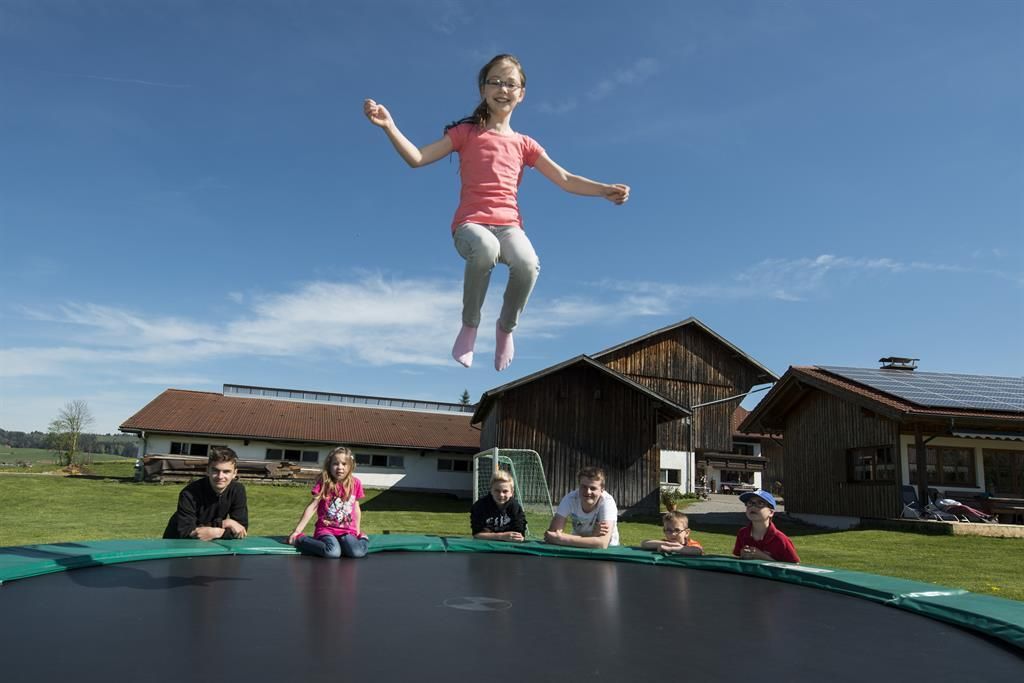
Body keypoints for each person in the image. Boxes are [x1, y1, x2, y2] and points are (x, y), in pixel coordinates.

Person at [364, 54, 630, 372]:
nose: (503, 88)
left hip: (509, 225)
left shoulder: (525, 144)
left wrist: (603, 190)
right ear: (483, 89)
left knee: (528, 264)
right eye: (496, 82)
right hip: (470, 225)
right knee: (486, 250)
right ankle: (470, 326)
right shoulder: (466, 134)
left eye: (510, 83)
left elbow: (565, 179)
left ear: (521, 94)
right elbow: (418, 158)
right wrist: (389, 126)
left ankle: (505, 329)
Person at [287, 446, 369, 559]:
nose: (340, 467)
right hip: (326, 529)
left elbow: (356, 508)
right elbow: (313, 506)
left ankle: (363, 538)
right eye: (336, 464)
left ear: (350, 466)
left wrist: (357, 532)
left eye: (344, 464)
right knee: (332, 552)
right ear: (329, 465)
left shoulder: (356, 483)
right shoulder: (324, 482)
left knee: (357, 552)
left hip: (347, 531)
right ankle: (300, 539)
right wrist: (297, 531)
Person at [163, 446, 248, 540]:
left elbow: (241, 529)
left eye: (226, 471)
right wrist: (222, 525)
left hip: (212, 543)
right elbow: (186, 531)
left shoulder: (237, 490)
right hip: (177, 542)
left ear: (234, 473)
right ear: (207, 470)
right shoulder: (189, 493)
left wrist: (216, 532)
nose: (220, 476)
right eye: (215, 470)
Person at [544, 466, 619, 548]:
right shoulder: (570, 499)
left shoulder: (607, 502)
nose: (588, 492)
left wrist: (563, 538)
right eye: (584, 487)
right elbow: (552, 534)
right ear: (579, 486)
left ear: (602, 489)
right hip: (576, 547)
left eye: (593, 488)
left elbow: (602, 544)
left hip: (608, 551)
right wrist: (594, 537)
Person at [733, 490, 800, 563]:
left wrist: (763, 557)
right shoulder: (742, 533)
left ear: (771, 512)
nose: (753, 506)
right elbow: (738, 559)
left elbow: (794, 566)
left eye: (760, 503)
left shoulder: (780, 539)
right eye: (750, 503)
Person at [471, 470, 527, 542]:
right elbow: (477, 535)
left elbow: (519, 534)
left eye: (505, 491)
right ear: (491, 490)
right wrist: (501, 536)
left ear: (512, 492)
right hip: (485, 546)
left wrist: (519, 537)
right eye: (497, 491)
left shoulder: (515, 507)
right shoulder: (480, 506)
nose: (501, 495)